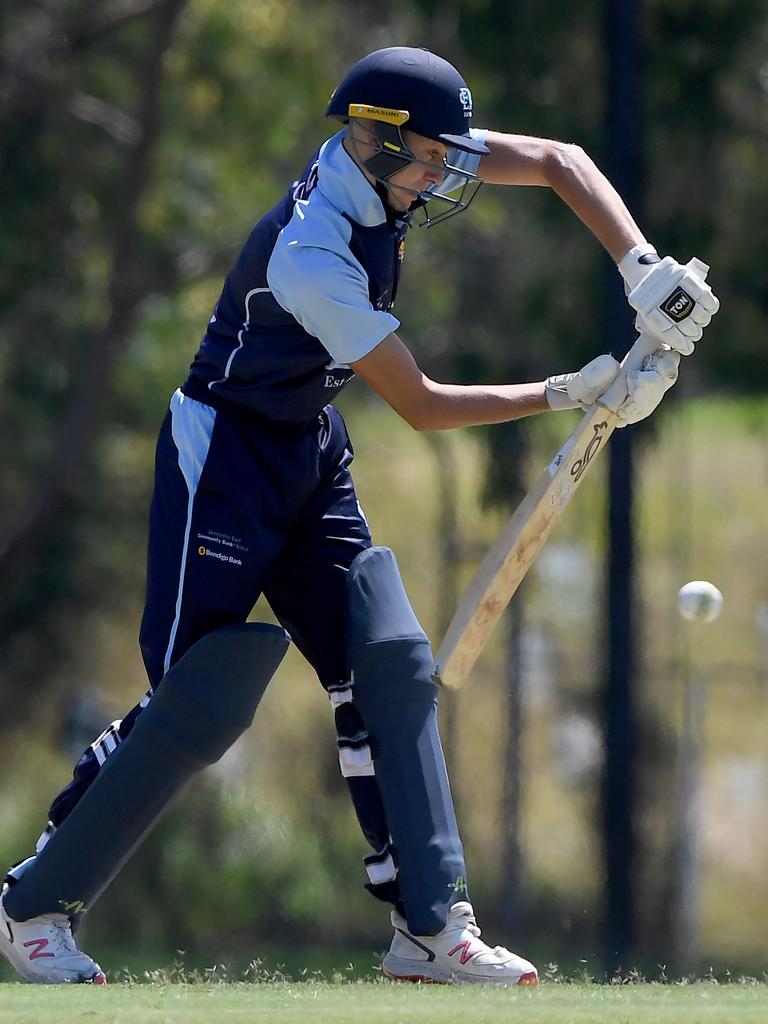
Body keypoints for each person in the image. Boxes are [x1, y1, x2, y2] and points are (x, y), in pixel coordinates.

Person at [0, 46, 718, 987]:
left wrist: (641, 268)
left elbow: (559, 161)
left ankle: (429, 930)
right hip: (224, 459)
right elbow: (419, 402)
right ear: (373, 140)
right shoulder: (311, 252)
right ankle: (32, 906)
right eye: (427, 158)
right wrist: (564, 391)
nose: (443, 174)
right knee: (195, 700)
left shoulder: (399, 169)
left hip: (308, 451)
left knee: (387, 664)